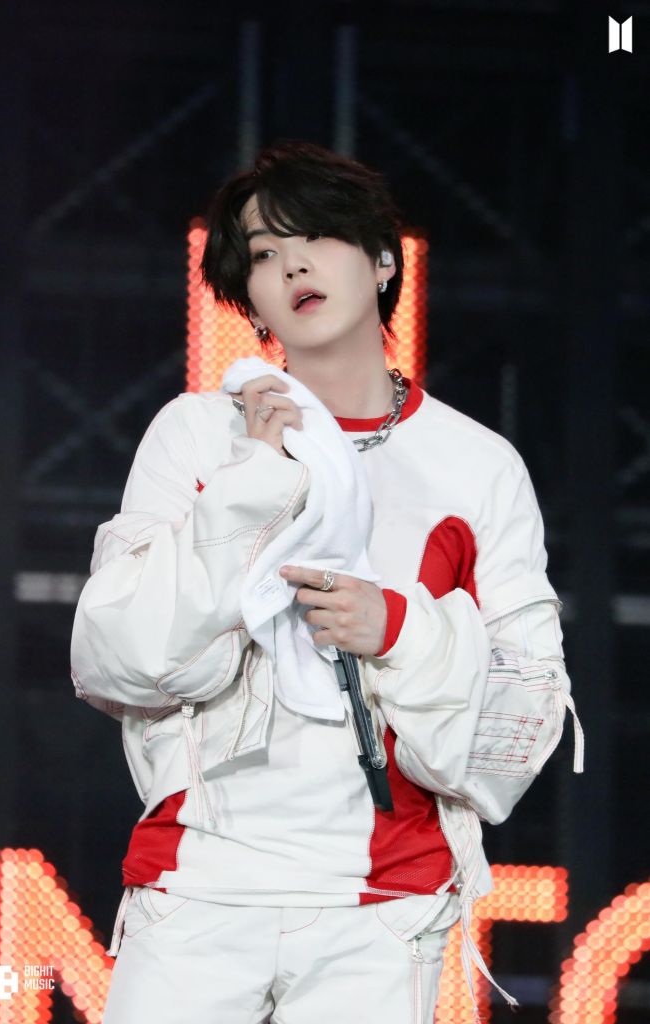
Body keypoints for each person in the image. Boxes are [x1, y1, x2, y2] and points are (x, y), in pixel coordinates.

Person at [70, 141, 582, 1024]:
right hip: (197, 887)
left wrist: (400, 632)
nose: (292, 265)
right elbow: (116, 658)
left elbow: (521, 724)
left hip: (382, 910)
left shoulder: (477, 466)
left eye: (315, 237)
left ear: (382, 261)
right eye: (264, 253)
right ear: (249, 297)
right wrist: (252, 488)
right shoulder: (197, 435)